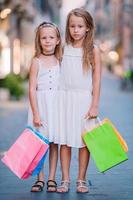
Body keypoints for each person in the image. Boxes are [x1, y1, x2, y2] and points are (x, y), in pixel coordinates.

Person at [56, 8, 101, 193]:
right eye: (72, 26)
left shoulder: (93, 50)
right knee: (64, 141)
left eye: (80, 26)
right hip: (64, 99)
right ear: (68, 28)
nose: (76, 30)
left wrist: (94, 105)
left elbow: (97, 80)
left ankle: (81, 179)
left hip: (84, 100)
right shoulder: (63, 49)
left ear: (88, 28)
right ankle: (65, 179)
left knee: (85, 142)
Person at [28, 21, 62, 192]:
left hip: (55, 106)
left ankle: (51, 178)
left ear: (57, 40)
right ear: (39, 41)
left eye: (51, 37)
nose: (47, 41)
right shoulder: (36, 61)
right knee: (38, 143)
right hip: (40, 106)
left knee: (54, 142)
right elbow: (32, 89)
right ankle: (39, 178)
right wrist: (35, 113)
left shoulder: (60, 61)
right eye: (44, 38)